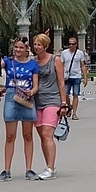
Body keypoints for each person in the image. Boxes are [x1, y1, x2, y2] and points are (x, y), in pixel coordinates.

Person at [0, 36, 41, 181]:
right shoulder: (8, 61)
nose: (18, 50)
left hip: (26, 99)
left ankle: (29, 169)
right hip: (12, 97)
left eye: (21, 47)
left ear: (26, 49)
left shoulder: (33, 64)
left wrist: (32, 91)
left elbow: (36, 85)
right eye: (16, 47)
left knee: (28, 135)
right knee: (10, 136)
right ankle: (6, 170)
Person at [31, 32, 68, 180]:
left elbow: (61, 83)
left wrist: (63, 103)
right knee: (42, 136)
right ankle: (49, 165)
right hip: (36, 101)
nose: (36, 47)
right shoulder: (33, 61)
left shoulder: (55, 60)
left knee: (47, 134)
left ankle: (50, 169)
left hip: (52, 100)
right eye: (35, 44)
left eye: (39, 44)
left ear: (45, 46)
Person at [60, 34, 89, 119]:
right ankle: (69, 106)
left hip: (76, 76)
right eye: (69, 44)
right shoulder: (64, 53)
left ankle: (74, 113)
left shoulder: (80, 53)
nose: (71, 45)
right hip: (67, 76)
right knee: (65, 94)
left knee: (75, 95)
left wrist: (85, 78)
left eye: (73, 44)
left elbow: (82, 65)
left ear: (76, 44)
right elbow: (61, 65)